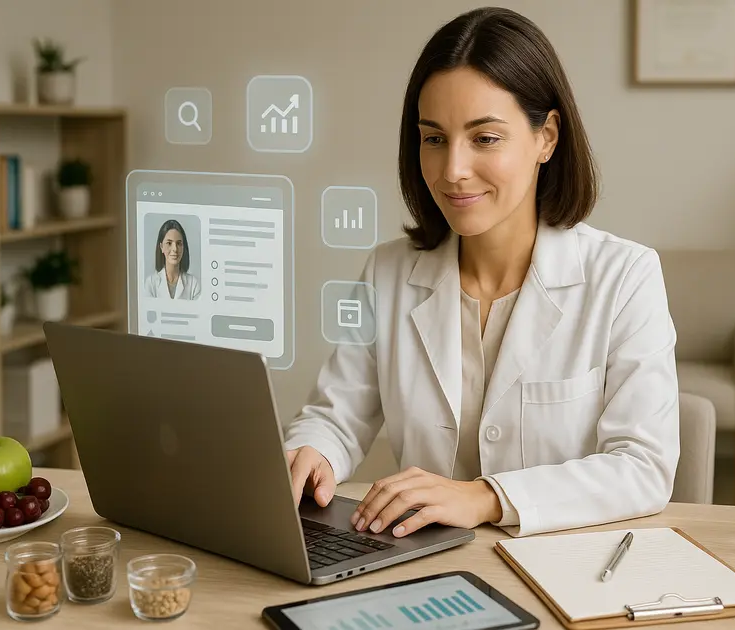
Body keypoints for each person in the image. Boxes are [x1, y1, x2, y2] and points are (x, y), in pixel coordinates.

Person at [284, 6, 679, 539]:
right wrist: (312, 453)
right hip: (420, 568)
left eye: (485, 138)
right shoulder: (388, 272)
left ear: (547, 138)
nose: (452, 170)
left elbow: (642, 468)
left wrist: (486, 496)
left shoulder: (625, 277)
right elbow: (336, 415)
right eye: (434, 138)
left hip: (564, 570)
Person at [144, 219, 201, 300]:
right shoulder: (150, 284)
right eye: (169, 243)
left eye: (178, 243)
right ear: (161, 247)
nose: (175, 249)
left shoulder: (193, 284)